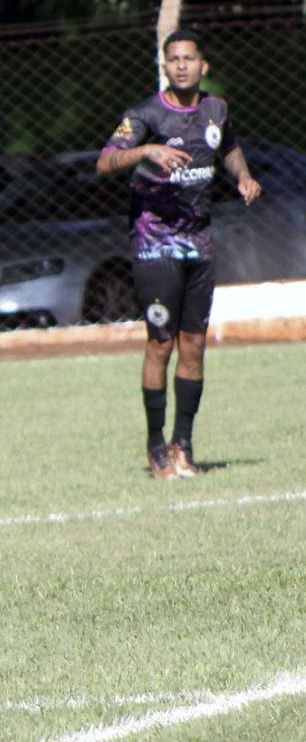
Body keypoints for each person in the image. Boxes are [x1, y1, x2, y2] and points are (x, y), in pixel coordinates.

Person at [97, 28, 261, 480]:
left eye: (190, 58)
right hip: (154, 247)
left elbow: (227, 146)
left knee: (193, 345)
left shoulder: (216, 109)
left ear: (203, 65)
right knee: (161, 344)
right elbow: (105, 160)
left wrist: (243, 176)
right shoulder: (145, 115)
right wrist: (144, 150)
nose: (182, 65)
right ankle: (156, 448)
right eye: (174, 59)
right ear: (165, 66)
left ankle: (183, 445)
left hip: (200, 245)